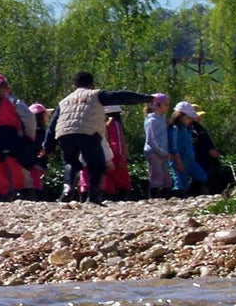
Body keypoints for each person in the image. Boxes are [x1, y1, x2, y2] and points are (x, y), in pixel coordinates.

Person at [41, 71, 154, 205]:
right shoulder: (96, 95)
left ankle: (67, 189)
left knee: (71, 162)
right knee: (97, 165)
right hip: (88, 132)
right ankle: (93, 198)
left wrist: (47, 146)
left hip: (64, 133)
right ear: (92, 84)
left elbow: (52, 124)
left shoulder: (64, 101)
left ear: (74, 85)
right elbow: (121, 96)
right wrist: (146, 98)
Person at [185, 104, 228, 193]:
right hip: (199, 158)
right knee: (199, 177)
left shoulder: (198, 127)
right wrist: (208, 150)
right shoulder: (190, 128)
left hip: (207, 159)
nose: (200, 118)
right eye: (198, 115)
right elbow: (195, 144)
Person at [168, 102, 206, 196]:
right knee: (181, 183)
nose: (191, 120)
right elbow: (173, 146)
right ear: (181, 116)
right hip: (179, 159)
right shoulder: (175, 129)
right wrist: (178, 161)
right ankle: (179, 200)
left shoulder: (186, 128)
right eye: (189, 117)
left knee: (201, 176)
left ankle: (193, 194)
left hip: (189, 159)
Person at [143, 95, 173, 198]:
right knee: (156, 174)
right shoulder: (151, 121)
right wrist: (162, 151)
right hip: (153, 152)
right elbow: (151, 139)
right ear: (157, 105)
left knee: (165, 175)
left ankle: (166, 195)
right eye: (165, 104)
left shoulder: (162, 119)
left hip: (163, 152)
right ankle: (154, 196)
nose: (167, 107)